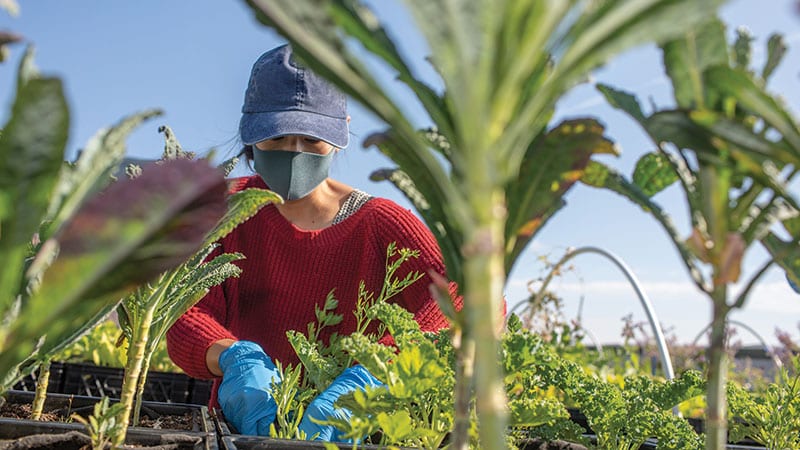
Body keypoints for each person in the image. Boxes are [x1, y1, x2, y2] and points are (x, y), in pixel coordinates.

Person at [166, 44, 460, 442]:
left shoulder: (382, 223)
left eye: (311, 140)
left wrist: (379, 372)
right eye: (277, 138)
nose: (294, 153)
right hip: (243, 433)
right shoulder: (225, 213)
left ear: (339, 135)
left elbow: (465, 303)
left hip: (356, 435)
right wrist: (233, 358)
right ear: (251, 134)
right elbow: (185, 312)